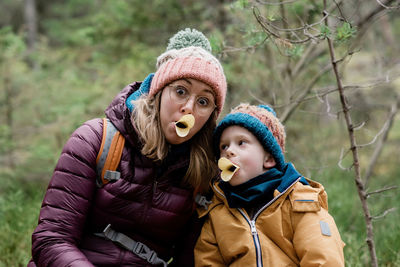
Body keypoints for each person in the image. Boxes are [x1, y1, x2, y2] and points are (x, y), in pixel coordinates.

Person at [28, 28, 227, 267]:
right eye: (180, 91)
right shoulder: (95, 140)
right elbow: (52, 239)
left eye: (203, 101)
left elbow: (190, 260)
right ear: (159, 92)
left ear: (210, 117)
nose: (189, 107)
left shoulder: (204, 176)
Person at [194, 103, 345, 266]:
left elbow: (323, 258)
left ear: (269, 159)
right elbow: (207, 262)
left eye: (241, 142)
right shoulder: (218, 212)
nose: (229, 151)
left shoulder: (301, 202)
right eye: (224, 146)